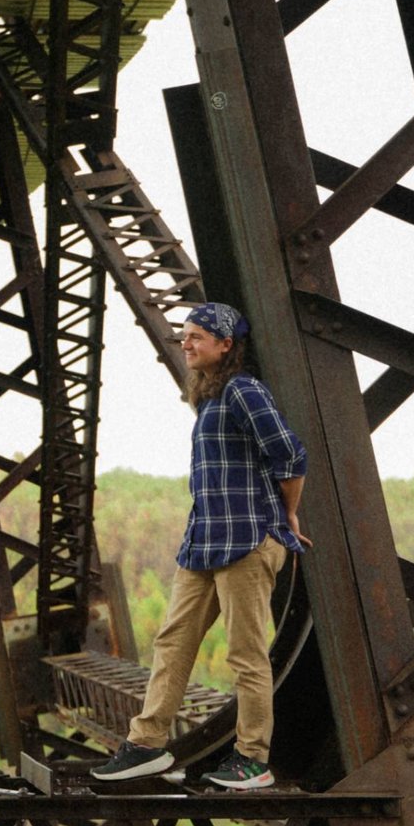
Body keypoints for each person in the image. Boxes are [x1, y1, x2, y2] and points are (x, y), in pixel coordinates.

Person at [89, 302, 307, 792]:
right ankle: (145, 745)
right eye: (184, 337)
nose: (185, 344)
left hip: (248, 540)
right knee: (172, 642)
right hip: (205, 542)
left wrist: (288, 515)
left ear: (226, 346)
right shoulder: (208, 399)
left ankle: (253, 758)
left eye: (196, 338)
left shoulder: (242, 391)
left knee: (246, 654)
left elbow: (290, 452)